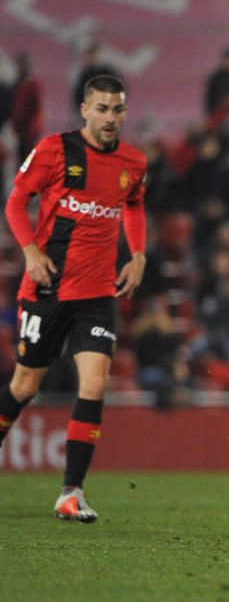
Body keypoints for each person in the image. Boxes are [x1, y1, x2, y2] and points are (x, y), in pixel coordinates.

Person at [1, 75, 148, 523]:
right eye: (101, 108)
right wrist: (29, 251)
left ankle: (71, 492)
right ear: (85, 110)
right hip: (47, 290)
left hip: (98, 293)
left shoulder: (133, 161)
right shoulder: (53, 150)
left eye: (117, 109)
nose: (110, 117)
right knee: (24, 386)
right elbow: (15, 201)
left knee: (95, 381)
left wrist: (138, 254)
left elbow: (134, 205)